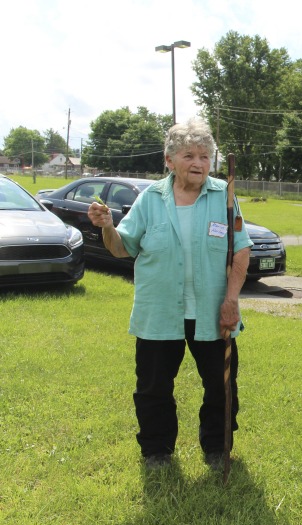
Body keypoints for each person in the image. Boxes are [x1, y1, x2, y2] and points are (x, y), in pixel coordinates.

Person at [86, 117, 253, 470]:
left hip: (213, 311)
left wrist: (231, 300)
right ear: (169, 160)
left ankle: (217, 449)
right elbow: (121, 248)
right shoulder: (150, 199)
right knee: (153, 388)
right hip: (160, 312)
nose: (199, 164)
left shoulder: (225, 194)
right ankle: (157, 451)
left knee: (221, 387)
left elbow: (240, 249)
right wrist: (107, 227)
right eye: (190, 155)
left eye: (205, 156)